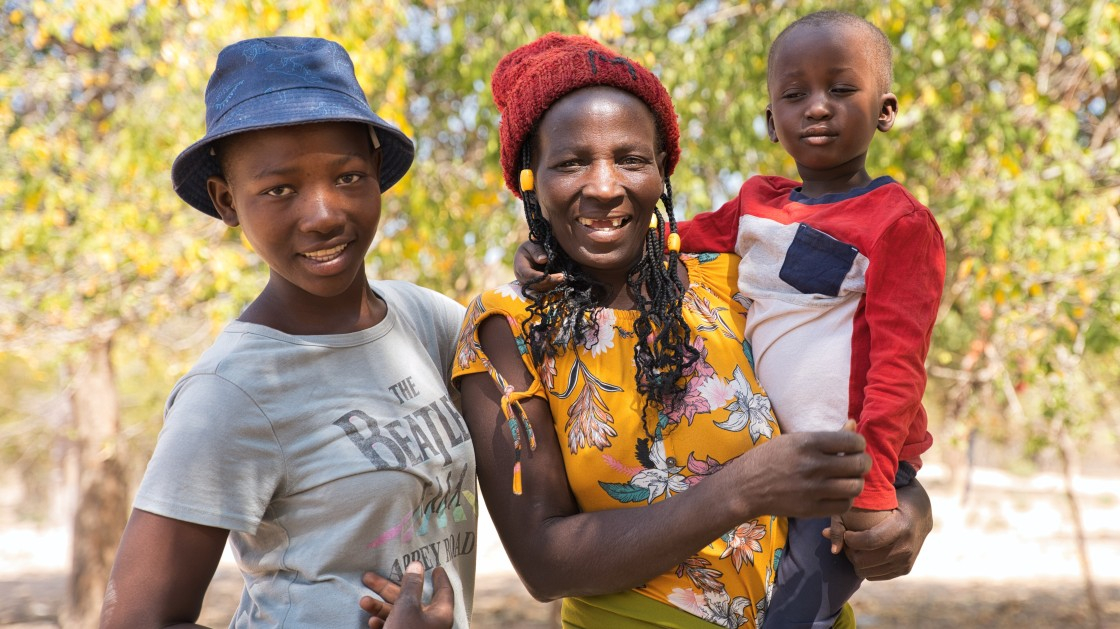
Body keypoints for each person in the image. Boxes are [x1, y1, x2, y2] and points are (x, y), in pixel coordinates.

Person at [452, 33, 876, 629]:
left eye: (630, 158)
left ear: (661, 171)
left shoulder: (738, 284)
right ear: (529, 179)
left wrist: (911, 512)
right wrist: (741, 491)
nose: (604, 187)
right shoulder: (508, 328)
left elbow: (846, 409)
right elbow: (544, 562)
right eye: (571, 162)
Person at [101, 37, 474, 629]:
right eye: (279, 190)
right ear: (227, 202)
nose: (324, 213)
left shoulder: (427, 321)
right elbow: (133, 621)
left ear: (377, 172)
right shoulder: (232, 391)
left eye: (348, 177)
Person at [668, 11, 946, 627]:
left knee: (791, 615)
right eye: (795, 95)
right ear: (773, 122)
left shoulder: (898, 224)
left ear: (885, 109)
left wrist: (872, 485)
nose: (817, 107)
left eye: (841, 89)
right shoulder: (755, 203)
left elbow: (900, 367)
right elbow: (673, 240)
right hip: (768, 461)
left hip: (843, 468)